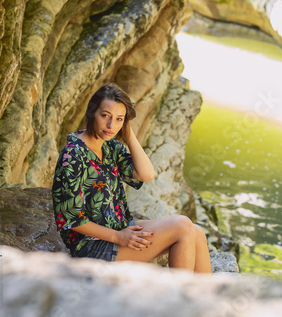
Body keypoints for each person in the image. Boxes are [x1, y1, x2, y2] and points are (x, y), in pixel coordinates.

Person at [52, 83, 211, 273]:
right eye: (105, 116)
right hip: (91, 246)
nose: (112, 126)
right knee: (183, 227)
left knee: (196, 232)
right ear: (92, 112)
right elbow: (73, 220)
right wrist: (119, 237)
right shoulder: (73, 155)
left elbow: (146, 174)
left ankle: (203, 299)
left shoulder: (110, 147)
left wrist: (128, 135)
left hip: (120, 227)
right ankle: (179, 301)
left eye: (119, 119)